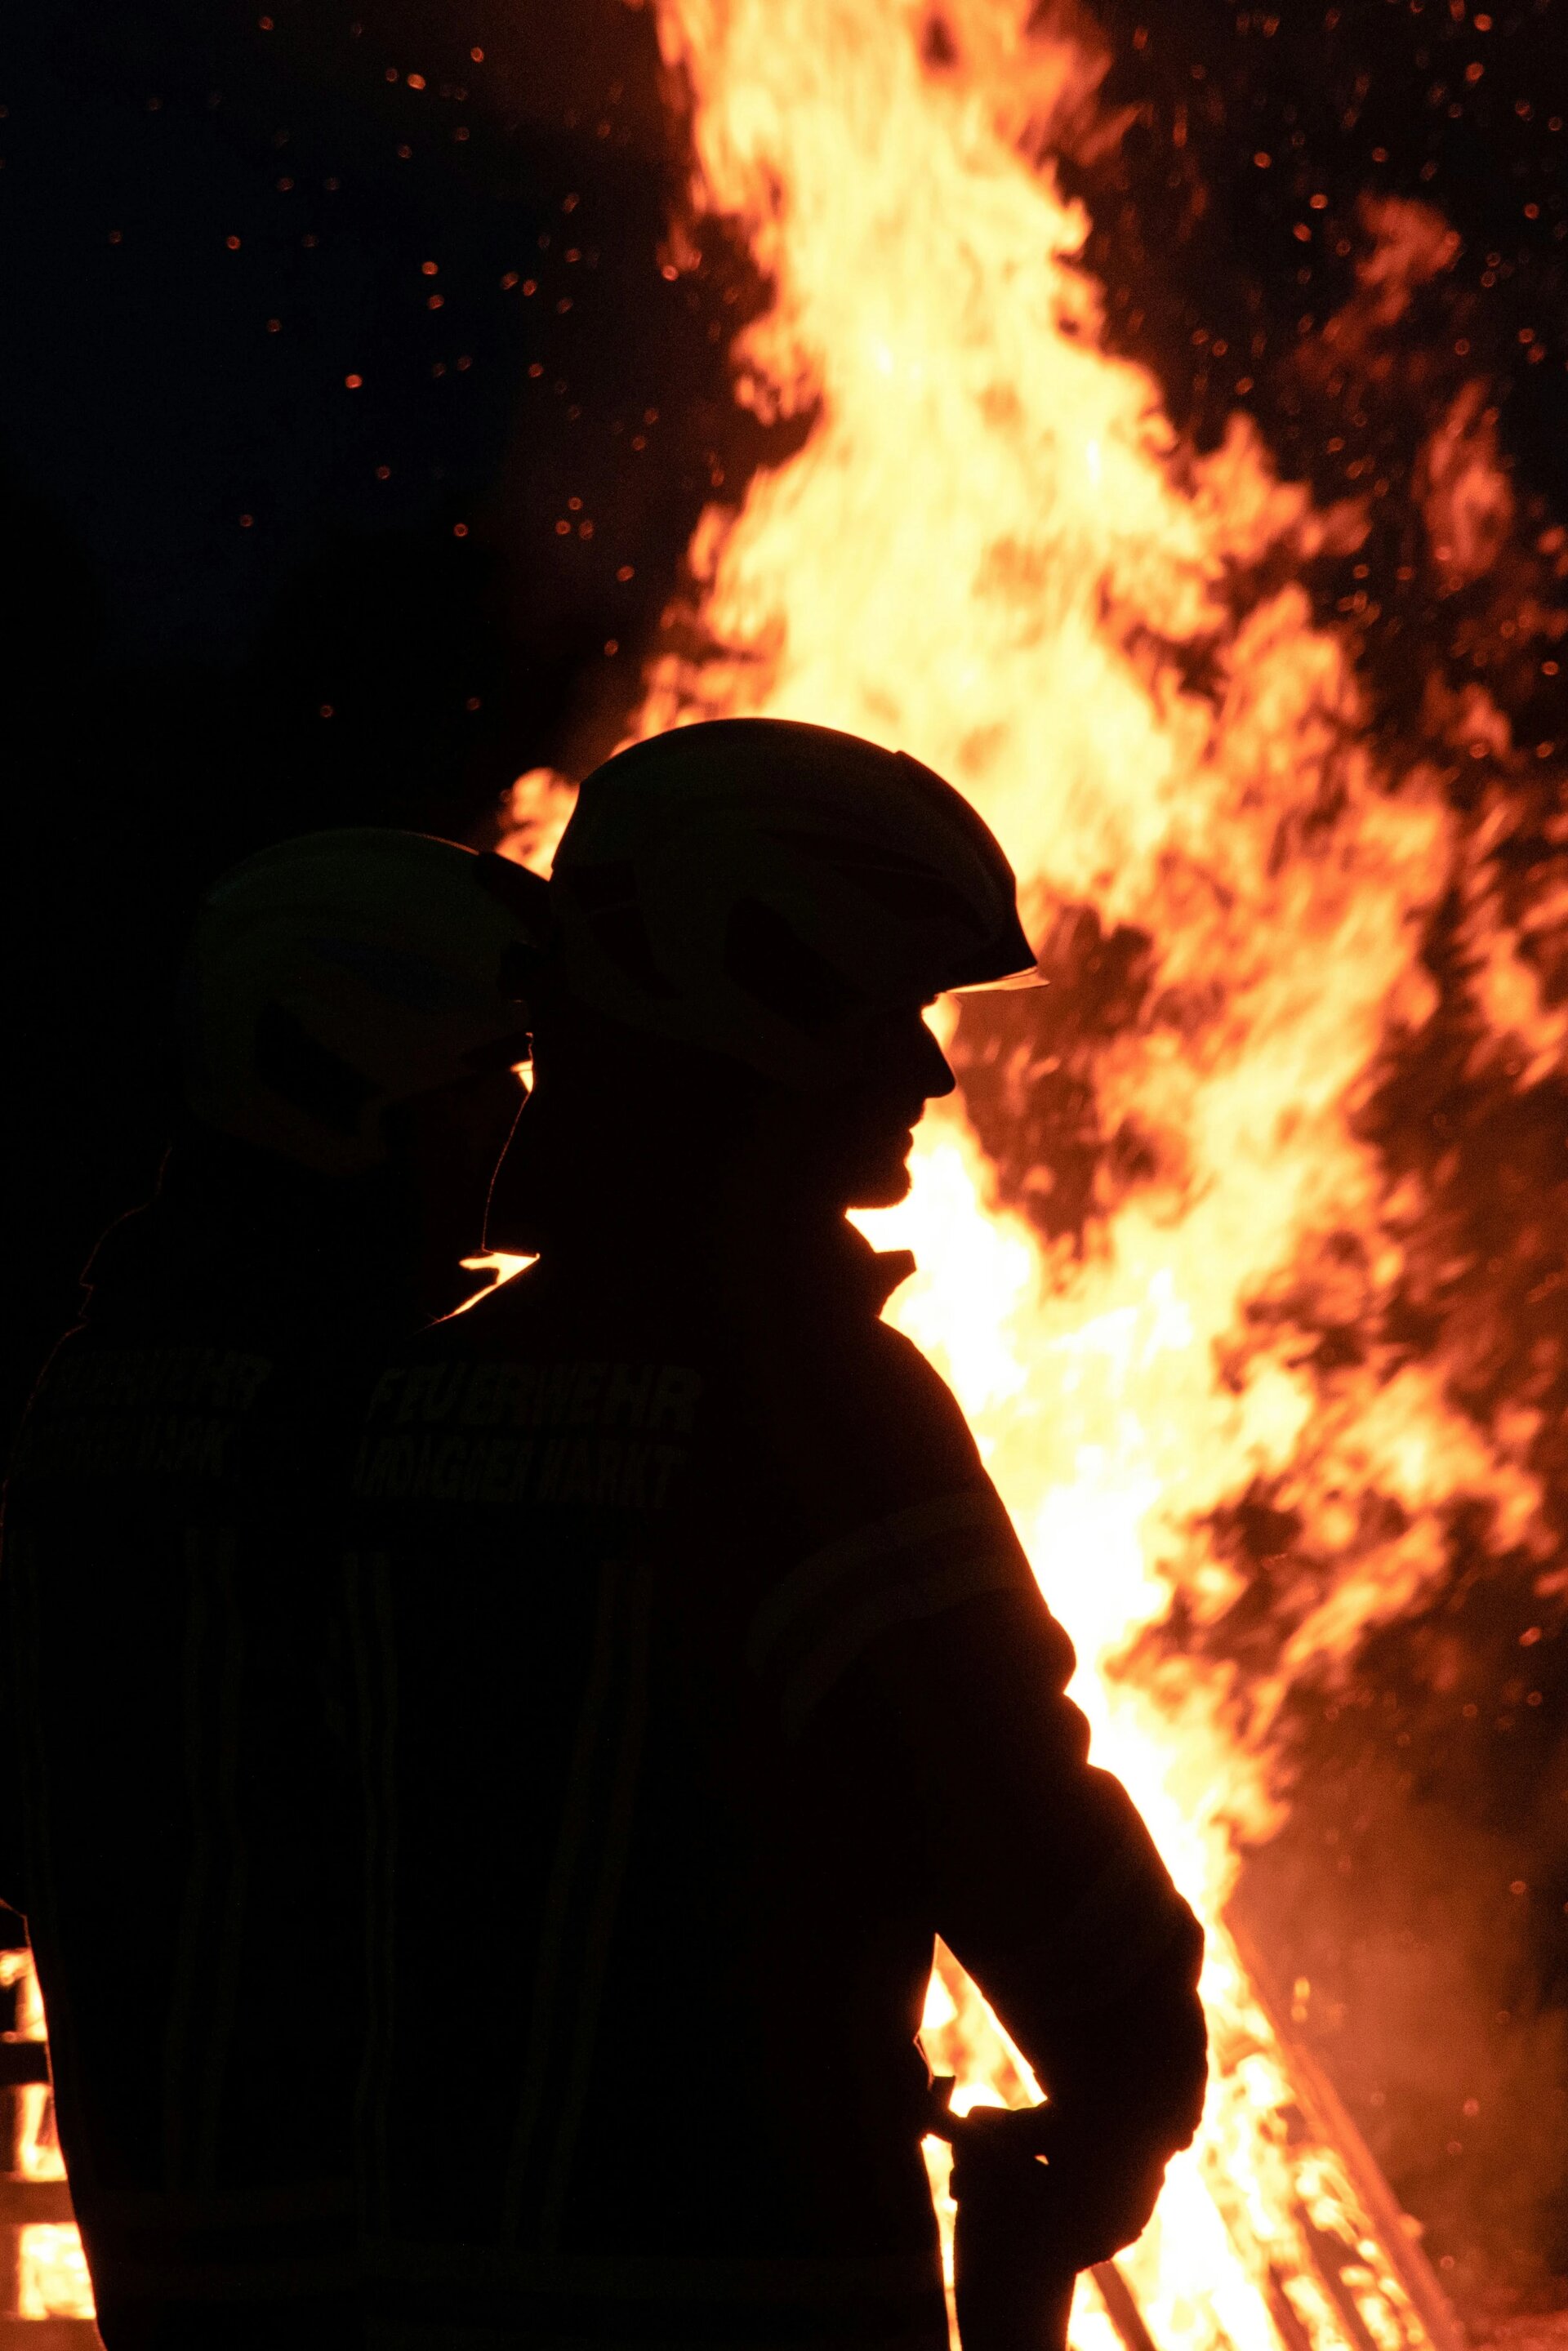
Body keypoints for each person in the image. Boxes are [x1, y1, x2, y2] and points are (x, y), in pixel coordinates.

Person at [344, 719, 1208, 2351]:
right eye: (891, 1009)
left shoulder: (406, 1401)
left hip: (406, 2292)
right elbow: (1015, 1815)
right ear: (752, 990)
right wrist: (1132, 2086)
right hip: (751, 2287)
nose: (928, 1071)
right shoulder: (820, 1412)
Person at [1, 827, 548, 2349]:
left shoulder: (99, 1382)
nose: (518, 1118)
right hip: (362, 2228)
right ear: (339, 1082)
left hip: (166, 2200)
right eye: (483, 1078)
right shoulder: (370, 1410)